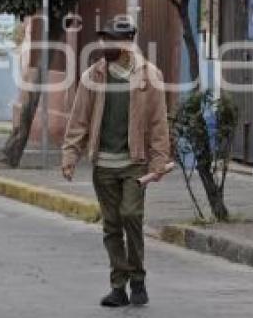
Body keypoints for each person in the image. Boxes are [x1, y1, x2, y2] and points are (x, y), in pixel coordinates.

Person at [61, 16, 170, 307]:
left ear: (127, 42)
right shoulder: (93, 76)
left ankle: (138, 278)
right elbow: (79, 120)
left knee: (131, 215)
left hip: (134, 162)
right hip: (104, 166)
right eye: (103, 39)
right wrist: (70, 155)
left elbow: (159, 124)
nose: (104, 44)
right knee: (112, 225)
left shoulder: (150, 76)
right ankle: (119, 285)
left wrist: (159, 162)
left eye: (110, 39)